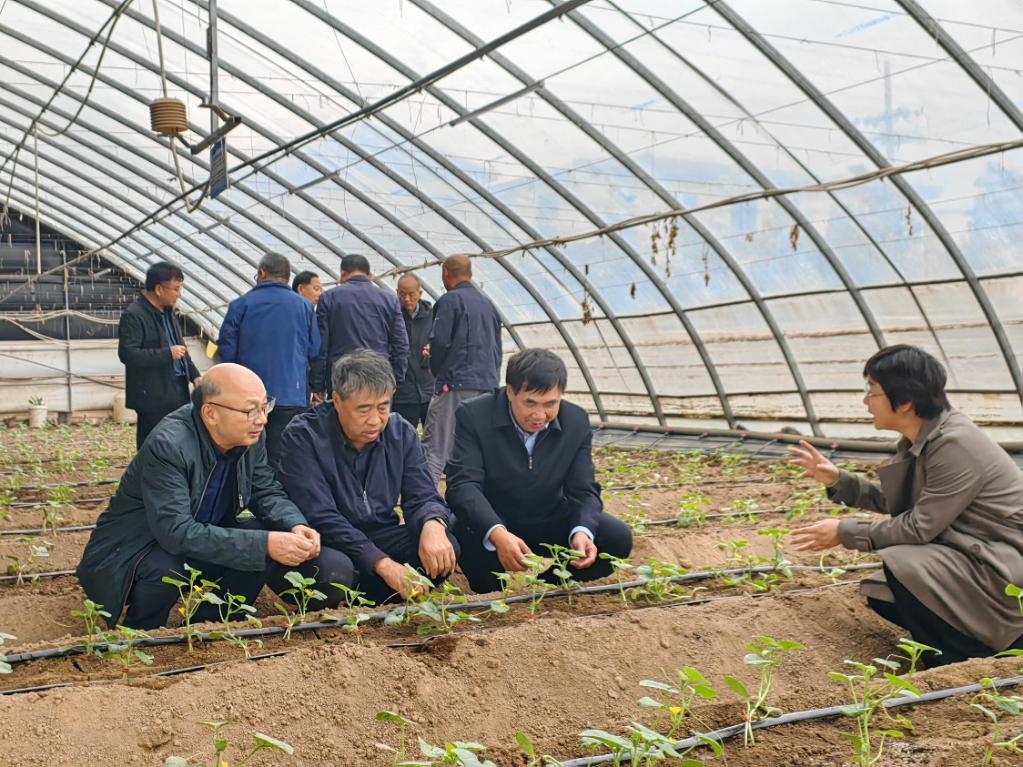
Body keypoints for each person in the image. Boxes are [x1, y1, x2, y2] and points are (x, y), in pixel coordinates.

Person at [791, 345, 1023, 666]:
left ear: (905, 402)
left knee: (904, 564)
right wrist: (838, 480)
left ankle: (968, 658)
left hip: (1003, 567)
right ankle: (963, 645)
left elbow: (919, 526)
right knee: (884, 593)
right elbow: (900, 502)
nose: (866, 401)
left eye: (872, 391)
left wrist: (844, 532)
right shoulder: (924, 440)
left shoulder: (955, 443)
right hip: (973, 554)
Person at [77, 363, 321, 630]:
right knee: (168, 569)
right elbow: (176, 532)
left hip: (202, 532)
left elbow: (265, 489)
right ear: (210, 413)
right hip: (138, 546)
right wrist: (263, 543)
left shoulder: (249, 436)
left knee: (258, 537)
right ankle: (140, 632)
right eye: (250, 410)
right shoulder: (169, 446)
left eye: (265, 407)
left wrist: (295, 524)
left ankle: (211, 624)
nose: (262, 419)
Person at [278, 350, 458, 605]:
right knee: (332, 572)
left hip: (380, 535)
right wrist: (383, 564)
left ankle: (380, 596)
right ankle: (350, 596)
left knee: (445, 546)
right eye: (363, 410)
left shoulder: (400, 433)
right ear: (337, 401)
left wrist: (433, 523)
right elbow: (320, 516)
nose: (375, 420)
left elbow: (422, 494)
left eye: (383, 407)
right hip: (328, 543)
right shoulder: (304, 436)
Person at [446, 348, 632, 594]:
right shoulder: (475, 416)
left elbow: (583, 489)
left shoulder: (574, 422)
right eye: (530, 403)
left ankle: (549, 586)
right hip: (493, 519)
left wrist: (582, 530)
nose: (539, 415)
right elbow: (463, 485)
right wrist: (497, 533)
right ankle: (494, 594)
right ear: (510, 391)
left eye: (550, 404)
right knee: (463, 530)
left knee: (616, 538)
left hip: (547, 516)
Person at [217, 253, 320, 465]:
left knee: (247, 456)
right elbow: (314, 349)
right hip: (292, 395)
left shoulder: (241, 305)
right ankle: (280, 496)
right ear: (288, 276)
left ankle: (248, 496)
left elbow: (227, 352)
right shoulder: (304, 307)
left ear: (262, 273)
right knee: (285, 456)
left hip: (247, 399)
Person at [422, 254, 502, 481]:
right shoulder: (488, 304)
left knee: (435, 447)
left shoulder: (450, 301)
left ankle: (425, 503)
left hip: (455, 383)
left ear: (446, 273)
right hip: (486, 384)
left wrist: (433, 367)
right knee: (474, 448)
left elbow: (440, 342)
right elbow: (496, 347)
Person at [118, 261, 202, 449]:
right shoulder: (134, 315)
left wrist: (195, 376)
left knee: (177, 443)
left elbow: (180, 348)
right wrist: (166, 354)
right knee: (153, 445)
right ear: (158, 289)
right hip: (152, 397)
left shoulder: (168, 312)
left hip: (177, 392)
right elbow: (128, 354)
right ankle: (148, 478)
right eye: (176, 289)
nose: (179, 294)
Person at [311, 254, 408, 400]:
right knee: (375, 420)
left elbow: (322, 346)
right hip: (378, 377)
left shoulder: (329, 298)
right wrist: (396, 379)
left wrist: (318, 384)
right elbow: (401, 344)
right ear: (369, 275)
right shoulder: (389, 300)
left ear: (343, 273)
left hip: (342, 377)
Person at [393, 273, 434, 429]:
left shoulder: (432, 316)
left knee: (433, 439)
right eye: (402, 294)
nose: (407, 299)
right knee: (402, 437)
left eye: (411, 294)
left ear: (420, 293)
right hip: (403, 394)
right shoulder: (393, 316)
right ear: (397, 293)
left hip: (429, 390)